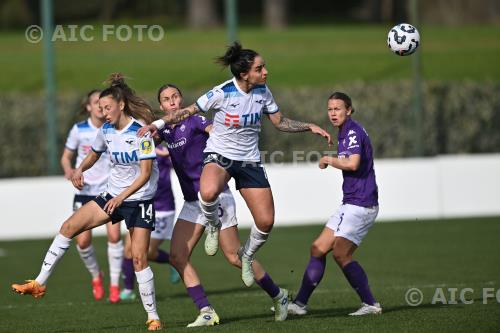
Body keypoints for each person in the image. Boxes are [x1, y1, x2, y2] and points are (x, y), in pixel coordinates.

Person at [139, 42, 332, 289]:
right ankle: (213, 224)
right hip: (220, 155)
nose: (265, 72)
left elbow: (280, 121)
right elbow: (186, 113)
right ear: (244, 74)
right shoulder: (221, 93)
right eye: (260, 68)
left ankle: (249, 255)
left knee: (265, 222)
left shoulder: (263, 92)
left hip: (249, 161)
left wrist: (309, 126)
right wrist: (157, 125)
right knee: (207, 192)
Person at [12, 74, 164, 331]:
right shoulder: (105, 130)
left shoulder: (140, 132)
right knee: (69, 226)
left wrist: (120, 197)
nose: (103, 113)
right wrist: (79, 169)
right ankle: (39, 282)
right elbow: (94, 154)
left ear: (121, 105)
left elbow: (146, 174)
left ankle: (153, 316)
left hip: (139, 199)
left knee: (139, 259)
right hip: (112, 196)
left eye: (107, 108)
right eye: (100, 108)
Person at [153, 83, 290, 326]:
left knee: (234, 256)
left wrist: (221, 131)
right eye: (166, 99)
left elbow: (212, 129)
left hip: (216, 197)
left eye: (175, 96)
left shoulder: (195, 120)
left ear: (182, 98)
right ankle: (206, 310)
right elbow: (147, 136)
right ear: (161, 105)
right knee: (177, 256)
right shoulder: (164, 132)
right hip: (192, 203)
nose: (172, 101)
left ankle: (279, 295)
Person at [286, 92, 381, 316]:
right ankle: (299, 305)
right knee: (318, 248)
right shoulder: (345, 131)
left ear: (349, 110)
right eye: (330, 109)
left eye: (338, 109)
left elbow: (353, 163)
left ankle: (371, 304)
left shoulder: (352, 131)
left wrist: (328, 159)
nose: (333, 113)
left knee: (341, 253)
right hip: (350, 203)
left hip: (362, 204)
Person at [60, 89, 123, 303]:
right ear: (88, 107)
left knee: (114, 236)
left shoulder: (112, 129)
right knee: (83, 241)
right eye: (95, 102)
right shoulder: (78, 130)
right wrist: (69, 171)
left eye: (102, 103)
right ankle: (97, 276)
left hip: (108, 191)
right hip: (85, 192)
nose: (99, 106)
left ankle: (114, 286)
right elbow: (66, 157)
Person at [120, 145, 180, 301]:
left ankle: (173, 261)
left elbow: (181, 161)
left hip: (162, 208)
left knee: (149, 252)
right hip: (141, 204)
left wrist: (170, 153)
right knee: (129, 250)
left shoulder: (160, 149)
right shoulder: (129, 150)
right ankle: (128, 290)